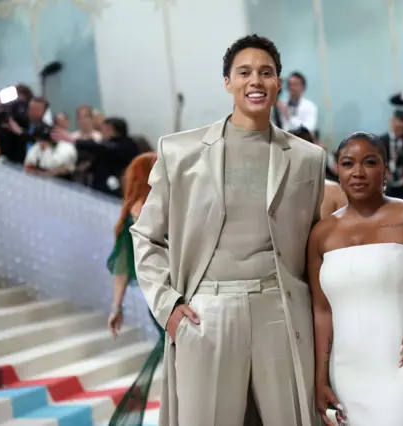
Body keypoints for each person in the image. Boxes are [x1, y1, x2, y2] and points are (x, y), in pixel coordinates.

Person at [130, 34, 326, 426]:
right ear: (227, 82)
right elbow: (147, 235)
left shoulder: (309, 159)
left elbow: (315, 244)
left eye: (266, 73)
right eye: (245, 72)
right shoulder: (180, 151)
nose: (256, 81)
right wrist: (167, 306)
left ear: (278, 82)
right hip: (207, 311)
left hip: (281, 309)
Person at [307, 132, 403, 425]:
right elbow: (322, 310)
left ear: (385, 169)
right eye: (347, 163)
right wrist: (321, 377)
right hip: (347, 372)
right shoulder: (321, 234)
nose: (357, 172)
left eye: (369, 162)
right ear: (337, 171)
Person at [105, 152, 163, 426]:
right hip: (176, 293)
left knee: (176, 358)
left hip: (156, 297)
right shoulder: (161, 205)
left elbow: (122, 271)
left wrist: (116, 308)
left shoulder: (131, 212)